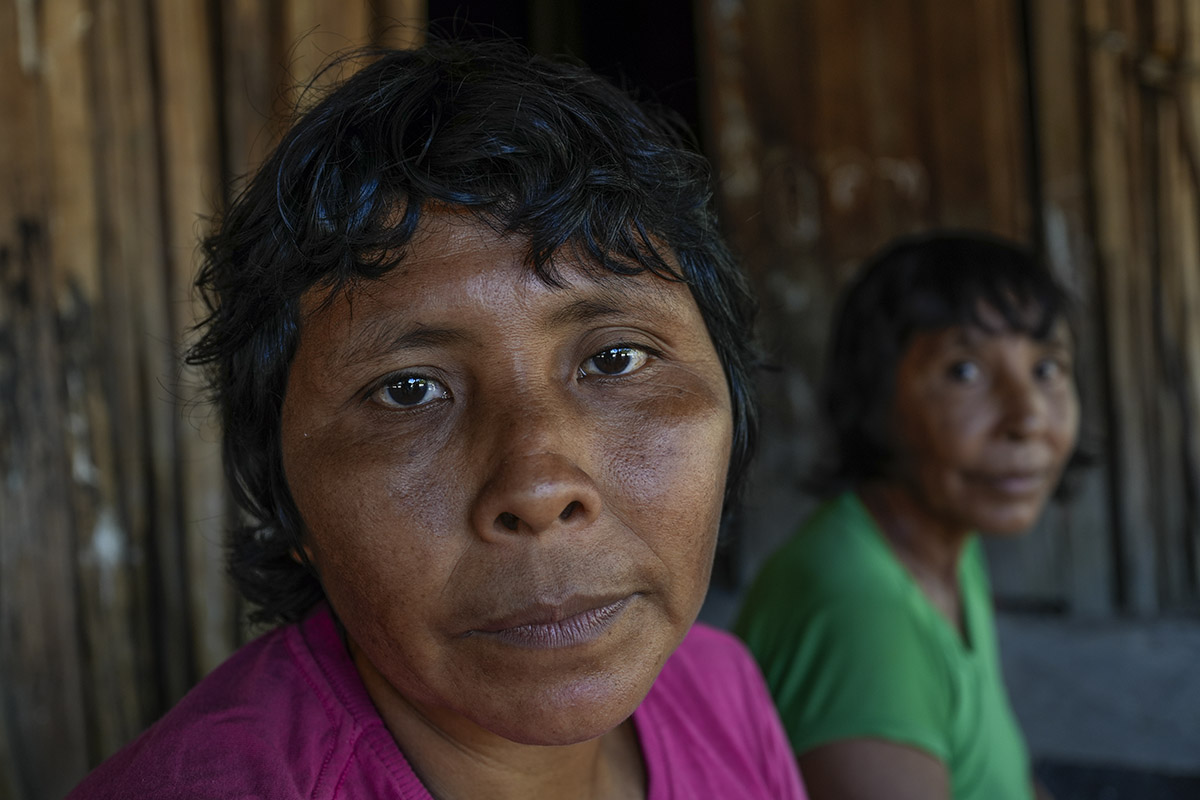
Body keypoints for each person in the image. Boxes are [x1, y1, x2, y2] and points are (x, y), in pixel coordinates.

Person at [68, 39, 805, 799]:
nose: (540, 488)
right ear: (285, 496)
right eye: (409, 390)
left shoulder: (719, 693)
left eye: (616, 359)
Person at [735, 232, 1078, 800]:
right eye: (964, 372)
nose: (1028, 417)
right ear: (872, 402)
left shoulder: (945, 545)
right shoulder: (859, 616)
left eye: (1046, 369)